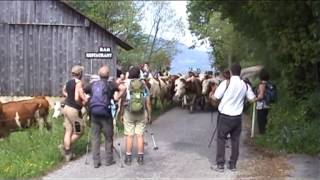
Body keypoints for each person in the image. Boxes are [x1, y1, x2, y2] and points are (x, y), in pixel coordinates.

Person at [211, 63, 256, 172]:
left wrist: (210, 95)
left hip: (224, 117)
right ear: (240, 72)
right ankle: (233, 165)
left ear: (230, 71)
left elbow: (216, 98)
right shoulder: (245, 85)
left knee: (221, 139)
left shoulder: (226, 83)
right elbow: (252, 99)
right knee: (235, 141)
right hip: (237, 118)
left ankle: (220, 165)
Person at [84, 65, 126, 168]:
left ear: (99, 75)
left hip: (94, 114)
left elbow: (83, 90)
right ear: (108, 75)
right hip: (106, 114)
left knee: (95, 137)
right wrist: (117, 98)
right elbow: (123, 88)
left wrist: (87, 103)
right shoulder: (111, 84)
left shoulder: (92, 84)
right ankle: (108, 160)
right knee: (108, 137)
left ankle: (96, 162)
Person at [121, 66, 151, 166]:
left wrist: (121, 113)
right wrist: (149, 114)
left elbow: (122, 100)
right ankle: (140, 158)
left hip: (128, 112)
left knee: (129, 135)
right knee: (140, 135)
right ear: (139, 74)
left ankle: (128, 157)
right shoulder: (144, 84)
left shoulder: (125, 84)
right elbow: (148, 101)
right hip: (141, 113)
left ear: (129, 74)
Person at [60, 65, 88, 161]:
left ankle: (68, 153)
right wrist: (84, 101)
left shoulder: (68, 82)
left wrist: (68, 96)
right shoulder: (79, 83)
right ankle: (65, 148)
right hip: (73, 110)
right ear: (80, 74)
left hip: (66, 108)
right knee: (79, 131)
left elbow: (63, 91)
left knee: (68, 130)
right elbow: (77, 97)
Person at [256, 69, 270, 134]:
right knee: (265, 121)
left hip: (261, 106)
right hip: (267, 105)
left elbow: (261, 96)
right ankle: (265, 135)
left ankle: (262, 135)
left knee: (261, 122)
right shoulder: (269, 84)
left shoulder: (261, 85)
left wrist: (255, 99)